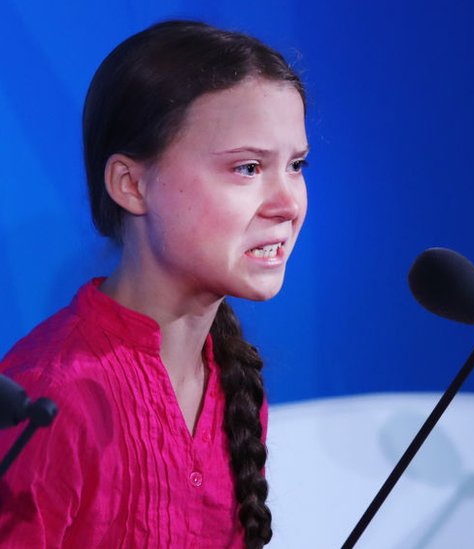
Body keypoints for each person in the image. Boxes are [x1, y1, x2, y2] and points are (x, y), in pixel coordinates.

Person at [0, 19, 308, 548]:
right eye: (248, 167)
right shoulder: (51, 397)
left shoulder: (233, 382)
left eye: (297, 165)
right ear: (131, 184)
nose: (287, 204)